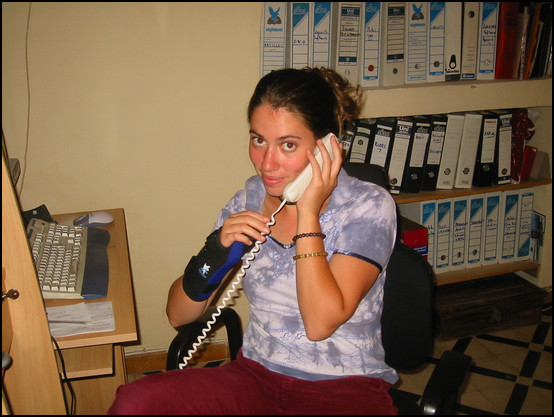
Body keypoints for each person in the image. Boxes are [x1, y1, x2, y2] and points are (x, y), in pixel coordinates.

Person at [108, 67, 398, 415]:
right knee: (136, 403)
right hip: (256, 375)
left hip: (344, 387)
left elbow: (320, 324)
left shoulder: (367, 206)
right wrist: (216, 252)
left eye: (287, 144)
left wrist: (307, 214)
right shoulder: (248, 200)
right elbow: (177, 315)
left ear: (326, 147)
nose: (267, 163)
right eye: (258, 139)